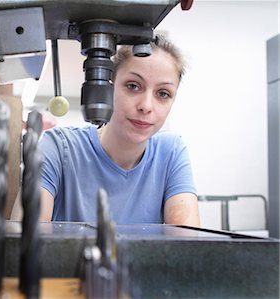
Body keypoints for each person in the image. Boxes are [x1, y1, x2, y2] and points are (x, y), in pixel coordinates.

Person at [39, 35, 200, 226]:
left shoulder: (170, 152)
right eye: (133, 86)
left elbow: (186, 244)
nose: (146, 106)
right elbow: (21, 243)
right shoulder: (58, 148)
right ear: (109, 86)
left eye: (163, 94)